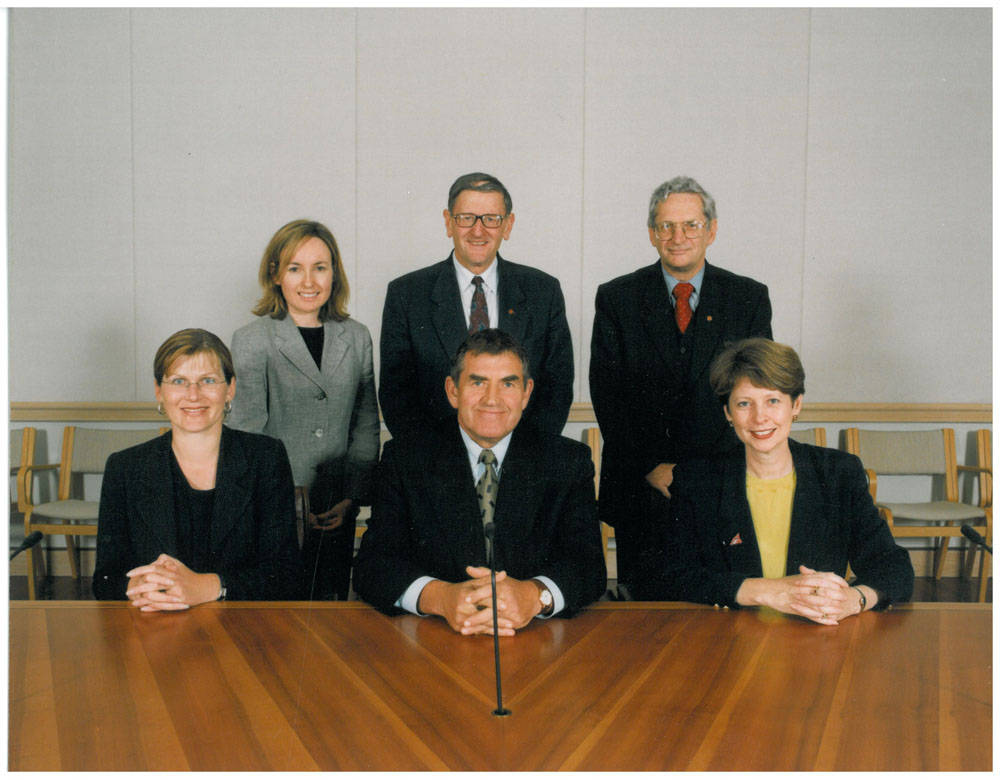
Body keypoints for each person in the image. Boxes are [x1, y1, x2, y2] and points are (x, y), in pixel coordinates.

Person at [638, 338, 914, 621]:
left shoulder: (837, 472)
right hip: (725, 636)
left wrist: (855, 599)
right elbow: (668, 575)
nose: (760, 418)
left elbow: (893, 566)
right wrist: (763, 591)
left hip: (814, 635)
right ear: (728, 413)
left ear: (796, 405)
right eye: (744, 403)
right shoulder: (698, 479)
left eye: (773, 401)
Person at [354, 329, 606, 635]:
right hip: (433, 636)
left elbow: (588, 566)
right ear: (452, 390)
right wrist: (440, 598)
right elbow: (374, 565)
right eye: (477, 382)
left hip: (535, 638)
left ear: (526, 393)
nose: (492, 399)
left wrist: (534, 596)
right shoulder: (405, 458)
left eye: (508, 384)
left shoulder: (568, 460)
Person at [590, 175, 772, 597]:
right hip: (642, 485)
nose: (678, 237)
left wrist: (696, 474)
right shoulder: (617, 297)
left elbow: (752, 393)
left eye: (691, 225)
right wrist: (650, 467)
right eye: (667, 226)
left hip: (720, 483)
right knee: (642, 617)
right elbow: (608, 395)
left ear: (711, 229)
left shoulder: (748, 297)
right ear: (652, 233)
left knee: (718, 609)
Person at [228, 219, 380, 600]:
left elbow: (365, 425)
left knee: (330, 611)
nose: (309, 281)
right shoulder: (252, 340)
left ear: (334, 274)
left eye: (320, 267)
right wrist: (289, 504)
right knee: (280, 614)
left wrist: (352, 497)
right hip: (275, 507)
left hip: (337, 504)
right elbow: (246, 437)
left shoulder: (357, 336)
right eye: (295, 268)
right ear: (275, 275)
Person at [93, 328, 300, 607]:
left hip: (241, 630)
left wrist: (208, 587)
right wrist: (138, 585)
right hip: (156, 626)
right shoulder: (125, 467)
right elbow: (105, 580)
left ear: (231, 389)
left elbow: (285, 577)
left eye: (208, 380)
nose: (193, 395)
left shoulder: (266, 458)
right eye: (178, 381)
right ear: (159, 391)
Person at [379, 172, 573, 440]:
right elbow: (397, 396)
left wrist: (520, 462)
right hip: (434, 467)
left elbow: (557, 390)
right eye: (466, 218)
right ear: (448, 223)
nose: (478, 230)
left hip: (523, 466)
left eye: (491, 219)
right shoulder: (407, 294)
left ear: (508, 225)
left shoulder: (543, 291)